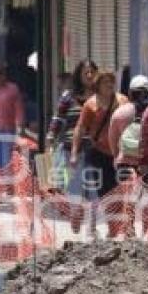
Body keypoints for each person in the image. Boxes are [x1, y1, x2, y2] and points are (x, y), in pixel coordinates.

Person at [71, 72, 128, 237]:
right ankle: (80, 216)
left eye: (111, 81)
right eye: (105, 82)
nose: (109, 85)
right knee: (90, 188)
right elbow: (80, 128)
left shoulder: (122, 102)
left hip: (115, 155)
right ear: (98, 86)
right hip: (96, 153)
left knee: (111, 193)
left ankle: (113, 228)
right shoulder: (91, 105)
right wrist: (74, 152)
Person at [47, 60, 98, 233]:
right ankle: (77, 214)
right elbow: (58, 119)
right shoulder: (68, 97)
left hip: (95, 150)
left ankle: (91, 228)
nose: (89, 75)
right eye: (86, 72)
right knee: (75, 189)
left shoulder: (101, 97)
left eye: (92, 72)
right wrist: (51, 137)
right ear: (79, 75)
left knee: (94, 189)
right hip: (71, 151)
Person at [108, 74, 148, 176]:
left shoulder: (120, 112)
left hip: (124, 165)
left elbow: (113, 141)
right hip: (147, 166)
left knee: (126, 192)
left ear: (130, 93)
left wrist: (117, 155)